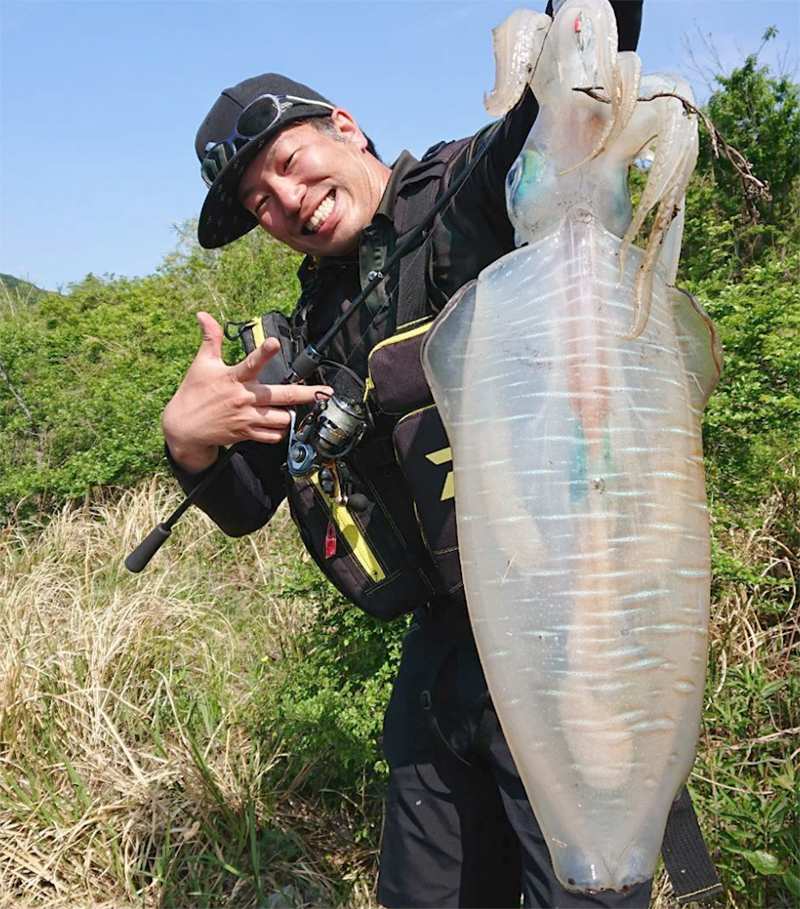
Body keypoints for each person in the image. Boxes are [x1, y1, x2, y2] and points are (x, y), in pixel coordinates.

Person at [163, 3, 650, 906]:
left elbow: (570, 86)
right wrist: (189, 442)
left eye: (286, 164)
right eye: (258, 204)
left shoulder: (472, 196)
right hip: (439, 664)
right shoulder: (302, 336)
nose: (284, 202)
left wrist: (584, 16)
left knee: (586, 887)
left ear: (344, 127)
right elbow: (244, 503)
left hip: (565, 632)